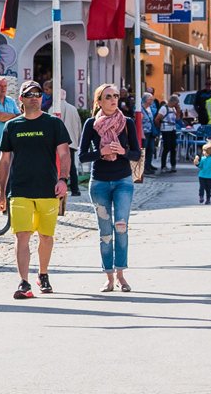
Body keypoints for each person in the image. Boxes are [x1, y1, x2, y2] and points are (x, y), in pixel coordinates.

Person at [0, 80, 72, 300]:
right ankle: (24, 282)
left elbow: (64, 154)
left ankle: (43, 274)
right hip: (20, 189)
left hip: (48, 188)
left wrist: (63, 179)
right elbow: (4, 160)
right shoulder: (13, 126)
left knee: (46, 237)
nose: (35, 97)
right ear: (22, 99)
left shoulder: (53, 124)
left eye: (38, 94)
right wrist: (1, 192)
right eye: (30, 94)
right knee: (22, 237)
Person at [79, 83, 140, 293]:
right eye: (108, 97)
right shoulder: (90, 124)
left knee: (121, 227)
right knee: (105, 232)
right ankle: (109, 277)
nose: (113, 100)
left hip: (123, 181)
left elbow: (137, 154)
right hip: (99, 183)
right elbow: (82, 156)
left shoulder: (127, 123)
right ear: (99, 101)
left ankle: (121, 274)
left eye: (115, 96)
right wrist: (101, 152)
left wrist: (122, 151)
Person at [56, 89, 83, 196]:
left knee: (57, 165)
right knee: (71, 167)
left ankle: (58, 188)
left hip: (57, 142)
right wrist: (78, 139)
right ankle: (75, 189)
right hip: (71, 141)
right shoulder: (73, 109)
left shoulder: (52, 108)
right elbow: (78, 125)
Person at [155, 94, 181, 172]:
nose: (177, 104)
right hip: (166, 130)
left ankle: (173, 165)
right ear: (173, 102)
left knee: (173, 147)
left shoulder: (173, 109)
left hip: (173, 129)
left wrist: (178, 111)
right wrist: (160, 127)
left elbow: (177, 119)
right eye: (177, 103)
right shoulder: (164, 108)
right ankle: (163, 166)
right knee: (166, 148)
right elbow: (157, 119)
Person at [140, 92, 160, 174]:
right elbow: (139, 122)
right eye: (150, 99)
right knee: (145, 149)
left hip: (151, 131)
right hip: (145, 132)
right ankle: (144, 167)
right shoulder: (140, 109)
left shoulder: (150, 108)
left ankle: (148, 165)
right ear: (146, 100)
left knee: (151, 149)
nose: (152, 100)